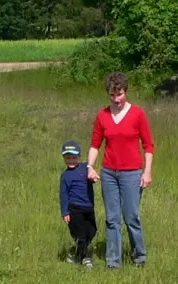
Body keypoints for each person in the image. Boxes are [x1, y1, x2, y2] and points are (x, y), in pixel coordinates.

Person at [87, 72, 155, 268]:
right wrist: (89, 166)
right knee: (112, 219)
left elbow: (148, 145)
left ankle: (139, 257)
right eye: (112, 95)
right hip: (108, 173)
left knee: (131, 216)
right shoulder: (102, 115)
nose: (116, 99)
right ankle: (113, 261)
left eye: (120, 94)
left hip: (132, 173)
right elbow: (95, 145)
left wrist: (147, 171)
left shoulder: (138, 114)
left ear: (126, 92)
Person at [58, 140, 96, 269]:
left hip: (88, 207)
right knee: (80, 235)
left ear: (79, 157)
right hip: (74, 209)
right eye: (68, 158)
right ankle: (84, 258)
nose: (71, 161)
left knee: (92, 230)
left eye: (74, 157)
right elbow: (63, 195)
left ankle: (76, 252)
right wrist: (65, 212)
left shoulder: (85, 168)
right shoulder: (65, 176)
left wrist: (93, 177)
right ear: (64, 158)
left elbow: (93, 177)